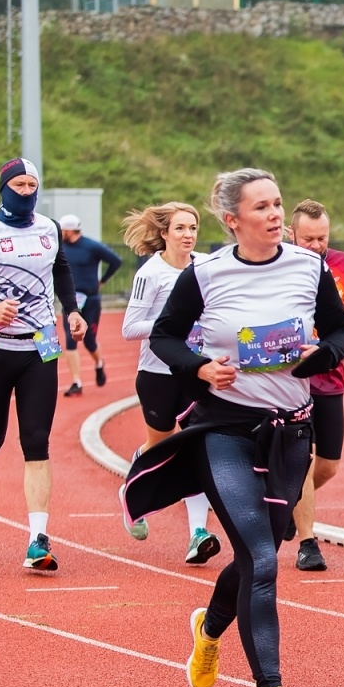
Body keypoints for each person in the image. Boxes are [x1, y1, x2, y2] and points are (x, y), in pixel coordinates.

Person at [124, 168, 344, 687]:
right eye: (262, 207)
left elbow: (340, 332)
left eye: (278, 204)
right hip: (224, 429)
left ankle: (209, 630)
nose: (276, 215)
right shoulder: (206, 273)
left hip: (289, 433)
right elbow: (165, 337)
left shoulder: (309, 267)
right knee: (261, 555)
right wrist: (200, 367)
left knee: (259, 554)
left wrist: (318, 355)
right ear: (233, 220)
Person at [0, 158, 85, 572]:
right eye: (18, 184)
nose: (26, 191)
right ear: (4, 187)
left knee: (36, 441)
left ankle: (38, 540)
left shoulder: (49, 229)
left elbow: (62, 272)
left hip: (40, 347)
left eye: (32, 184)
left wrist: (71, 310)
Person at [119, 201, 221, 563]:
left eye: (192, 228)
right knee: (159, 447)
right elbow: (130, 328)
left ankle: (197, 533)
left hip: (195, 372)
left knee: (198, 451)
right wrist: (173, 323)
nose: (188, 235)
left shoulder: (206, 265)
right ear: (164, 234)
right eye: (180, 228)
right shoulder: (151, 274)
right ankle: (135, 480)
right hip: (158, 374)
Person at [286, 199, 344, 572]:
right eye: (308, 239)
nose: (315, 245)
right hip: (289, 377)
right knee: (302, 462)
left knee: (328, 465)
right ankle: (308, 543)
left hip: (331, 375)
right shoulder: (278, 266)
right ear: (292, 235)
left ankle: (288, 506)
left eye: (321, 238)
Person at [59, 214, 122, 397]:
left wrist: (102, 281)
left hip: (91, 300)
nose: (60, 233)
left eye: (62, 230)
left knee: (89, 341)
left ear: (70, 230)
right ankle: (76, 382)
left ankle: (99, 363)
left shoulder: (91, 246)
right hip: (71, 302)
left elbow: (116, 261)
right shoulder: (60, 248)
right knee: (71, 340)